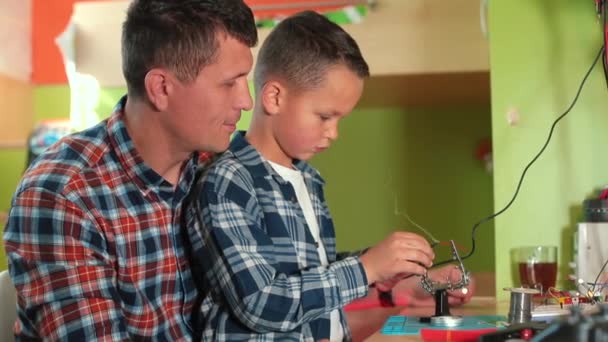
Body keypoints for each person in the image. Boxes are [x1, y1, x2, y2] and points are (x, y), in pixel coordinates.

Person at [185, 10, 473, 341]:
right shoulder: (227, 183)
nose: (334, 133)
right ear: (274, 97)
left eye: (340, 119)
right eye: (324, 116)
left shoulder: (308, 180)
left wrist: (379, 268)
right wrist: (366, 269)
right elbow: (260, 302)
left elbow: (310, 274)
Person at [3, 0, 257, 339]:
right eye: (230, 83)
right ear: (161, 88)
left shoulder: (224, 165)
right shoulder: (64, 192)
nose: (246, 101)